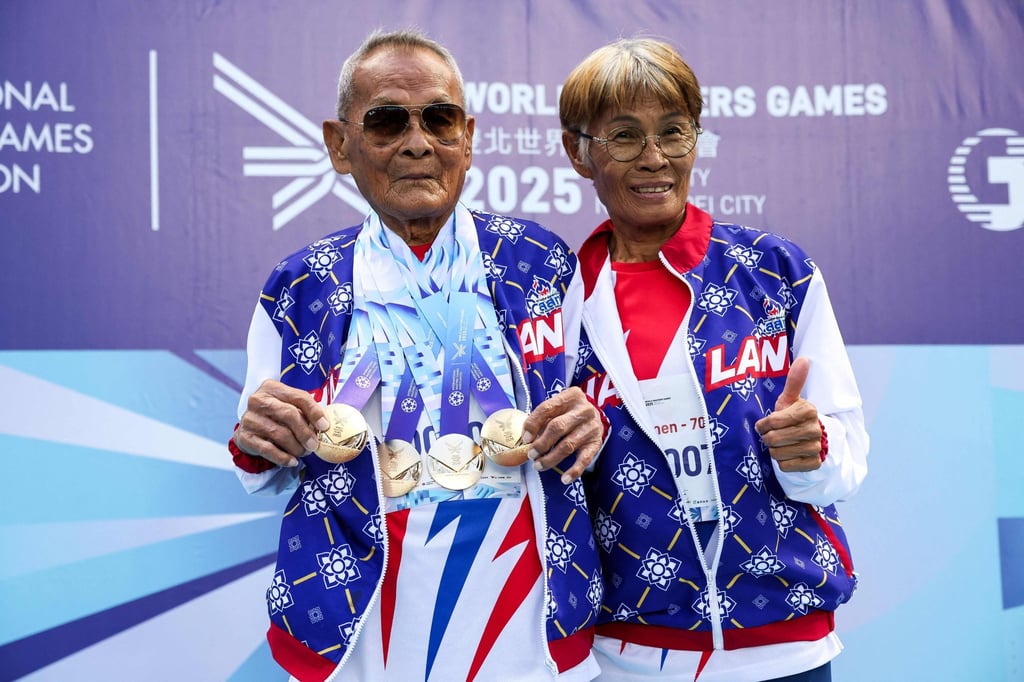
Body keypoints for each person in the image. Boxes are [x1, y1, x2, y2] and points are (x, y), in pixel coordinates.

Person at [229, 29, 605, 682]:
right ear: (339, 146)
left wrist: (590, 427)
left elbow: (596, 407)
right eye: (386, 122)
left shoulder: (540, 263)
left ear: (468, 137)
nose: (417, 142)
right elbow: (259, 464)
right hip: (361, 629)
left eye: (440, 119)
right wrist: (258, 439)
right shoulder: (301, 286)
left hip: (524, 627)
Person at [558, 38, 869, 682]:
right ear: (579, 152)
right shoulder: (558, 295)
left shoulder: (776, 272)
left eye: (675, 133)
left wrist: (812, 453)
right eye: (624, 137)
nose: (656, 159)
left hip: (785, 646)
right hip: (628, 652)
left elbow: (846, 453)